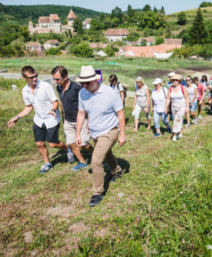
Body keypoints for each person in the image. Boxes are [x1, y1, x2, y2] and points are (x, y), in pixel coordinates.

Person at [75, 65, 126, 207]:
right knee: (106, 153)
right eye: (82, 83)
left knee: (96, 160)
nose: (84, 86)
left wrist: (122, 134)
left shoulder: (110, 93)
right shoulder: (82, 93)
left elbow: (120, 113)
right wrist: (77, 133)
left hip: (110, 130)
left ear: (95, 80)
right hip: (95, 132)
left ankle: (98, 193)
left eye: (87, 83)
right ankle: (117, 170)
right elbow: (81, 113)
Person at [7, 66, 68, 174]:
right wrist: (17, 117)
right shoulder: (25, 91)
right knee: (39, 143)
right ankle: (47, 163)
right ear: (24, 78)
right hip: (39, 120)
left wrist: (53, 110)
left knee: (52, 144)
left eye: (35, 76)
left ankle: (68, 149)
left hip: (51, 119)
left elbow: (55, 101)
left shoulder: (45, 86)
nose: (34, 79)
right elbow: (29, 107)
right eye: (31, 77)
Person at [51, 66, 94, 171]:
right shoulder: (59, 87)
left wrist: (89, 120)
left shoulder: (77, 88)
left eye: (57, 79)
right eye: (54, 79)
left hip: (82, 120)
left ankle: (98, 154)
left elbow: (88, 103)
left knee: (83, 144)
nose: (56, 81)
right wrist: (63, 115)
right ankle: (82, 162)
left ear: (65, 77)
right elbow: (62, 101)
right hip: (68, 121)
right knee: (71, 143)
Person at [165, 74, 189, 142]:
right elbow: (168, 99)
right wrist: (166, 108)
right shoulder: (170, 88)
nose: (174, 81)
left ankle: (175, 135)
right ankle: (180, 132)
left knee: (177, 119)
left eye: (176, 80)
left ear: (179, 81)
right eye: (173, 80)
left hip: (182, 106)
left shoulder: (182, 88)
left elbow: (186, 98)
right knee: (178, 120)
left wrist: (187, 107)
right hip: (174, 106)